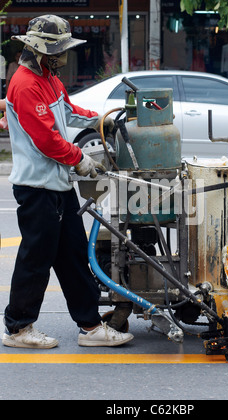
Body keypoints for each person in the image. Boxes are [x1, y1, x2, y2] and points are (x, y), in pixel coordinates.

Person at [2, 15, 134, 349]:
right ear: (39, 51)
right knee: (36, 259)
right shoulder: (25, 83)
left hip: (58, 186)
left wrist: (103, 118)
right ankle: (18, 328)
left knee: (74, 256)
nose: (63, 57)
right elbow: (47, 141)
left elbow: (69, 111)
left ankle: (90, 327)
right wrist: (81, 159)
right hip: (37, 188)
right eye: (57, 52)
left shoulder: (49, 79)